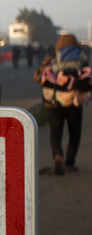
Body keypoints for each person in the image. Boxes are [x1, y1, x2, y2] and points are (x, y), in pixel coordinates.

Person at [36, 33, 91, 175]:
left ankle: (58, 155)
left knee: (55, 132)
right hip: (74, 103)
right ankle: (70, 162)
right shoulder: (81, 59)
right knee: (74, 132)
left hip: (53, 104)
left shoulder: (52, 59)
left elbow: (38, 77)